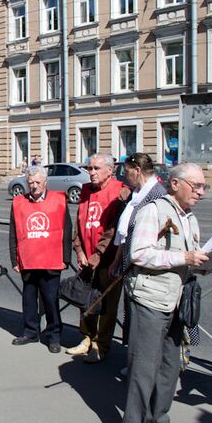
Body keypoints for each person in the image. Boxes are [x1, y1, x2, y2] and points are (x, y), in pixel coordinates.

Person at [119, 163, 212, 423]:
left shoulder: (189, 217)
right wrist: (184, 258)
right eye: (196, 186)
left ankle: (157, 418)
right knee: (144, 368)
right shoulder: (153, 210)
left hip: (176, 300)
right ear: (175, 184)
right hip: (151, 299)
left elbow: (193, 264)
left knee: (171, 365)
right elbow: (139, 254)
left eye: (203, 186)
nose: (201, 192)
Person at [67, 153, 131, 363]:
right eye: (89, 168)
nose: (91, 172)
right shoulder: (85, 190)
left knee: (107, 304)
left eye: (96, 168)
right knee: (85, 300)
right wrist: (79, 250)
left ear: (110, 170)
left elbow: (114, 229)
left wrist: (98, 254)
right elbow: (79, 222)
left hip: (109, 260)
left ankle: (101, 345)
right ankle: (86, 337)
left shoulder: (121, 191)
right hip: (87, 257)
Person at [9, 165, 71, 352]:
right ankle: (30, 331)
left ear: (45, 182)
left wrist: (66, 258)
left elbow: (67, 231)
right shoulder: (19, 202)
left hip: (51, 260)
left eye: (37, 182)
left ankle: (53, 336)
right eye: (30, 183)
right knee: (29, 298)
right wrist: (14, 260)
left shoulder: (59, 200)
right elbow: (14, 232)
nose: (34, 186)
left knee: (51, 300)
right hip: (28, 260)